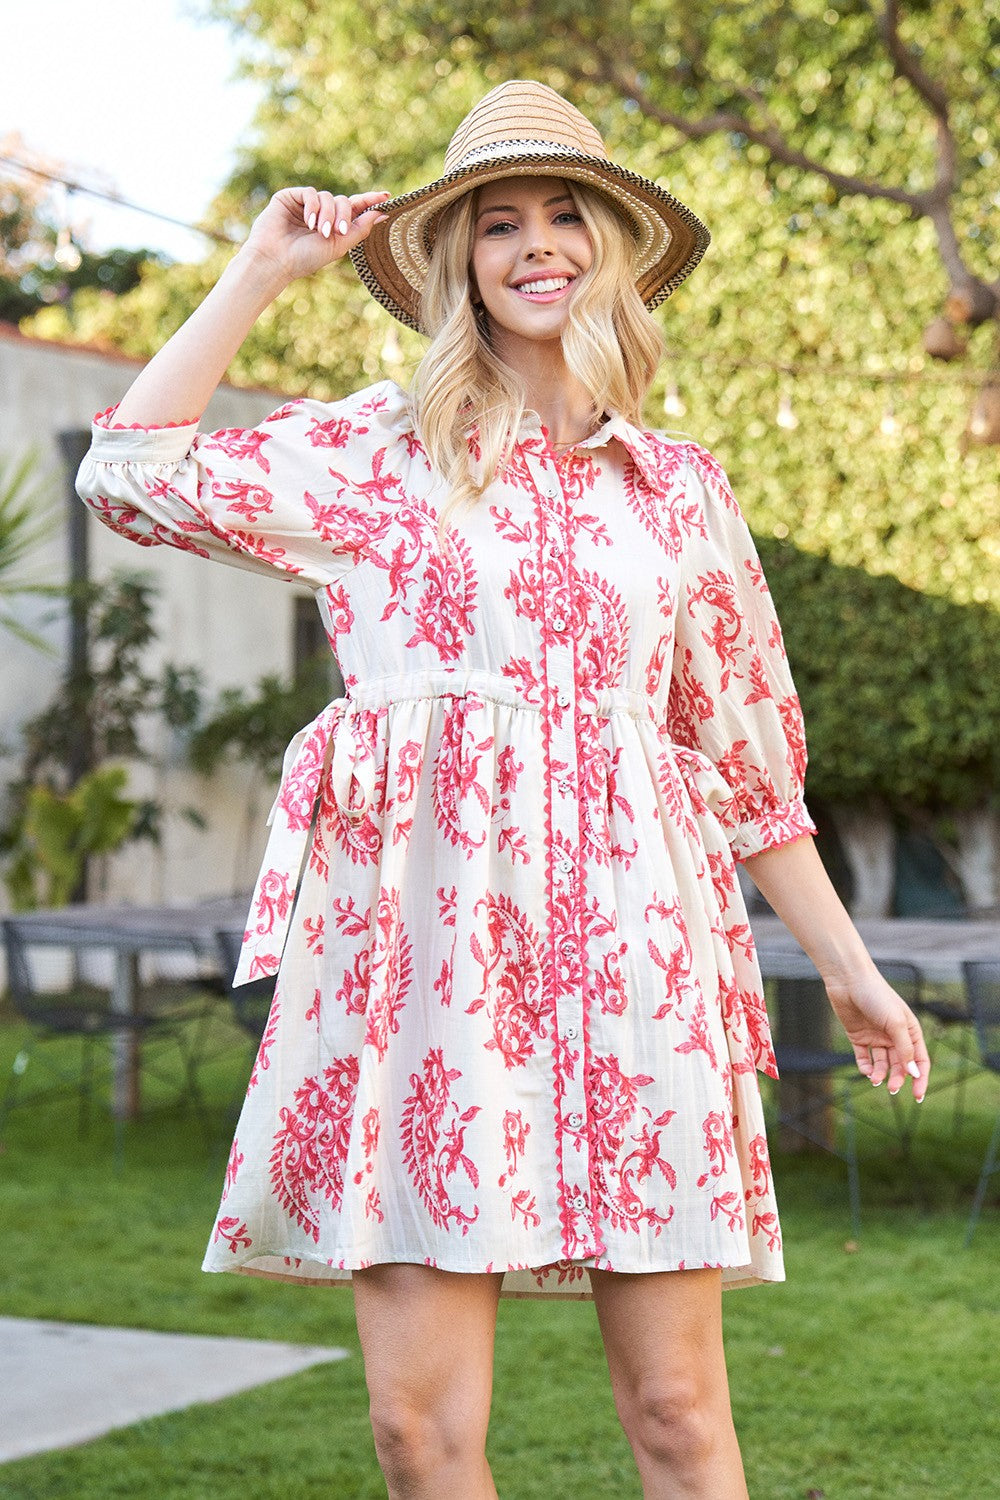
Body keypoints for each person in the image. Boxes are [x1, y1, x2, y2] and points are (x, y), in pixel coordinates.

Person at [76, 79, 929, 1500]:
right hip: (425, 972)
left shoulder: (679, 492)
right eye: (498, 222)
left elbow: (750, 769)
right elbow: (129, 475)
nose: (537, 245)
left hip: (639, 967)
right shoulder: (372, 456)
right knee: (420, 1435)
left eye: (565, 215)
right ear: (459, 262)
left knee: (678, 1413)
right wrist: (260, 269)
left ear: (614, 248)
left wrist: (851, 971)